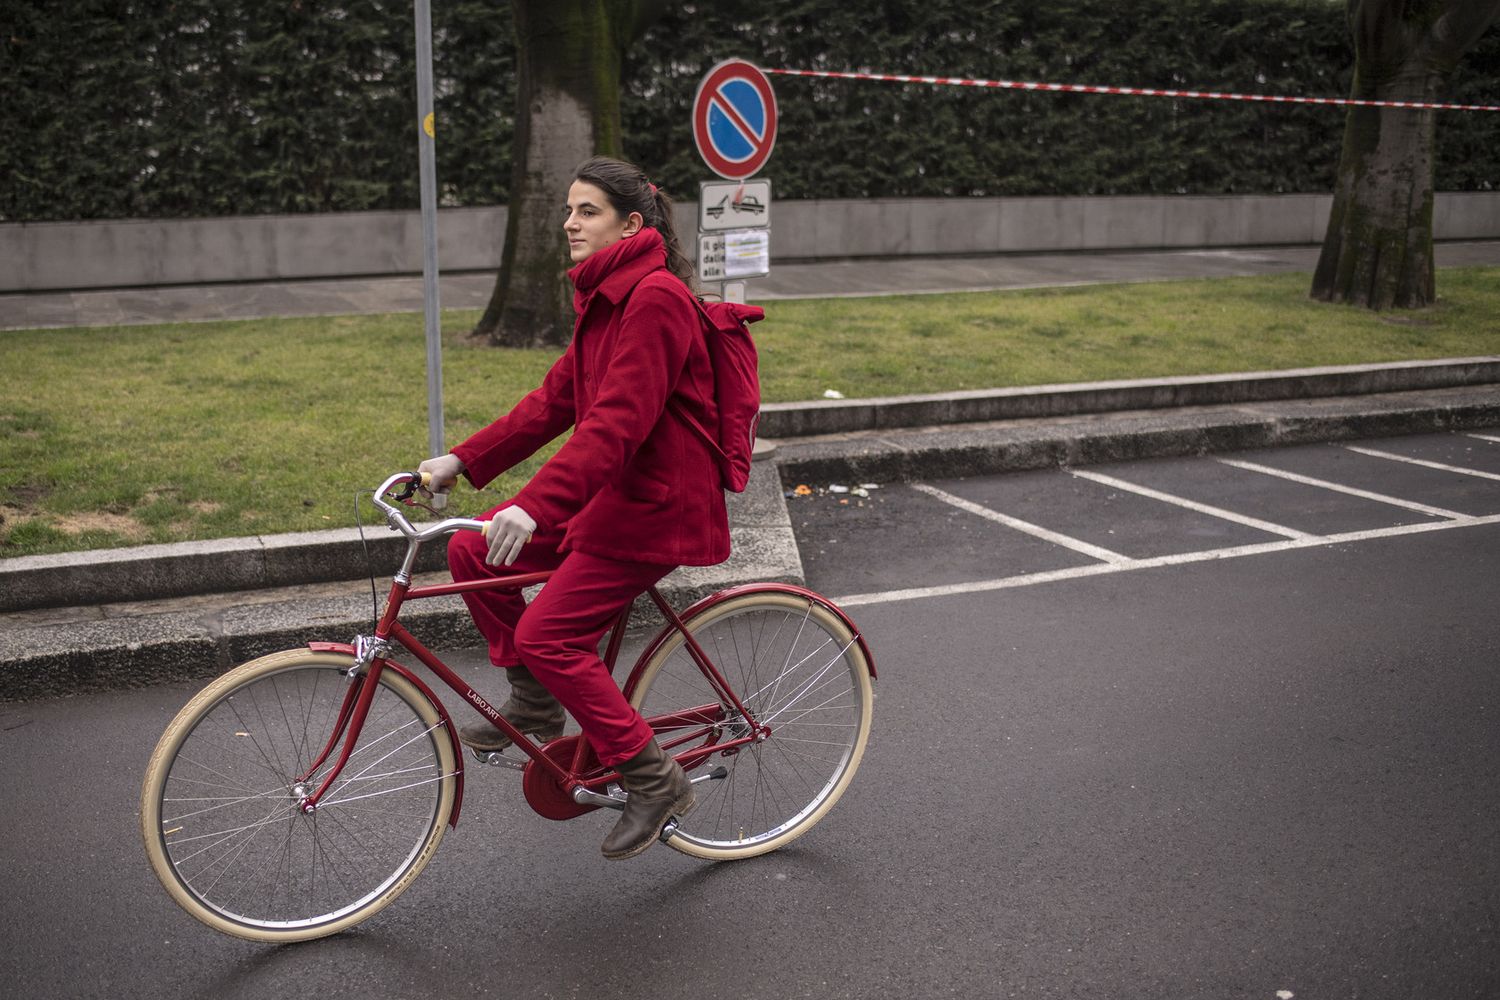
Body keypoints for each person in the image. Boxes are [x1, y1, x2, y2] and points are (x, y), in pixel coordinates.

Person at [418, 155, 728, 861]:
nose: (568, 223)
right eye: (568, 209)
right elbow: (556, 402)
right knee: (471, 549)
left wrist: (532, 506)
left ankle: (655, 779)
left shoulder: (656, 300)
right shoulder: (607, 297)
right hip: (612, 499)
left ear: (632, 225)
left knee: (550, 633)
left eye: (586, 211)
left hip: (656, 510)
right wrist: (462, 460)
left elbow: (617, 423)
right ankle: (533, 702)